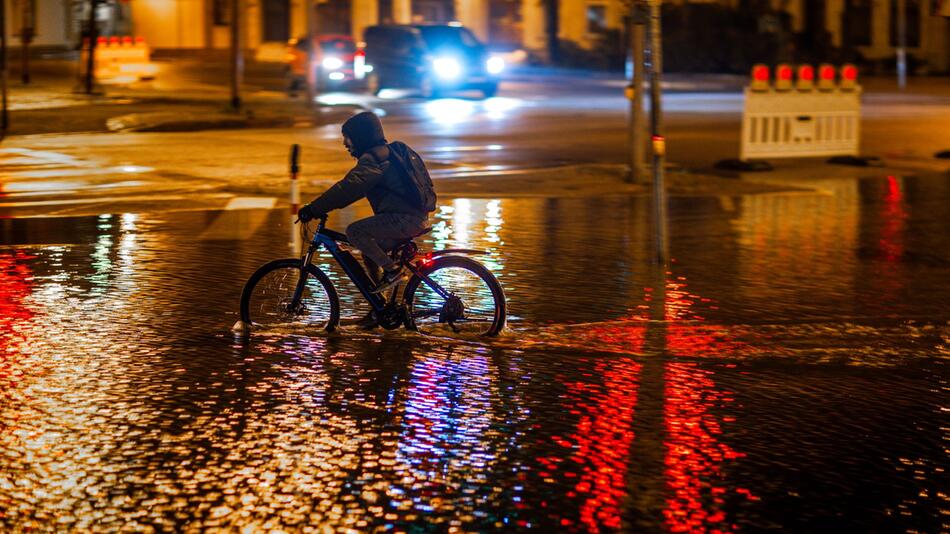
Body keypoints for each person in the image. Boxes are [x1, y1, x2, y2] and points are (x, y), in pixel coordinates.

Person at [297, 111, 431, 297]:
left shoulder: (374, 160)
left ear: (360, 137)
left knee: (355, 232)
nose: (345, 143)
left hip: (404, 219)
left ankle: (392, 272)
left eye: (348, 138)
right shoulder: (386, 154)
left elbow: (348, 188)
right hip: (414, 217)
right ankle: (379, 309)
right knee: (370, 254)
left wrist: (314, 208)